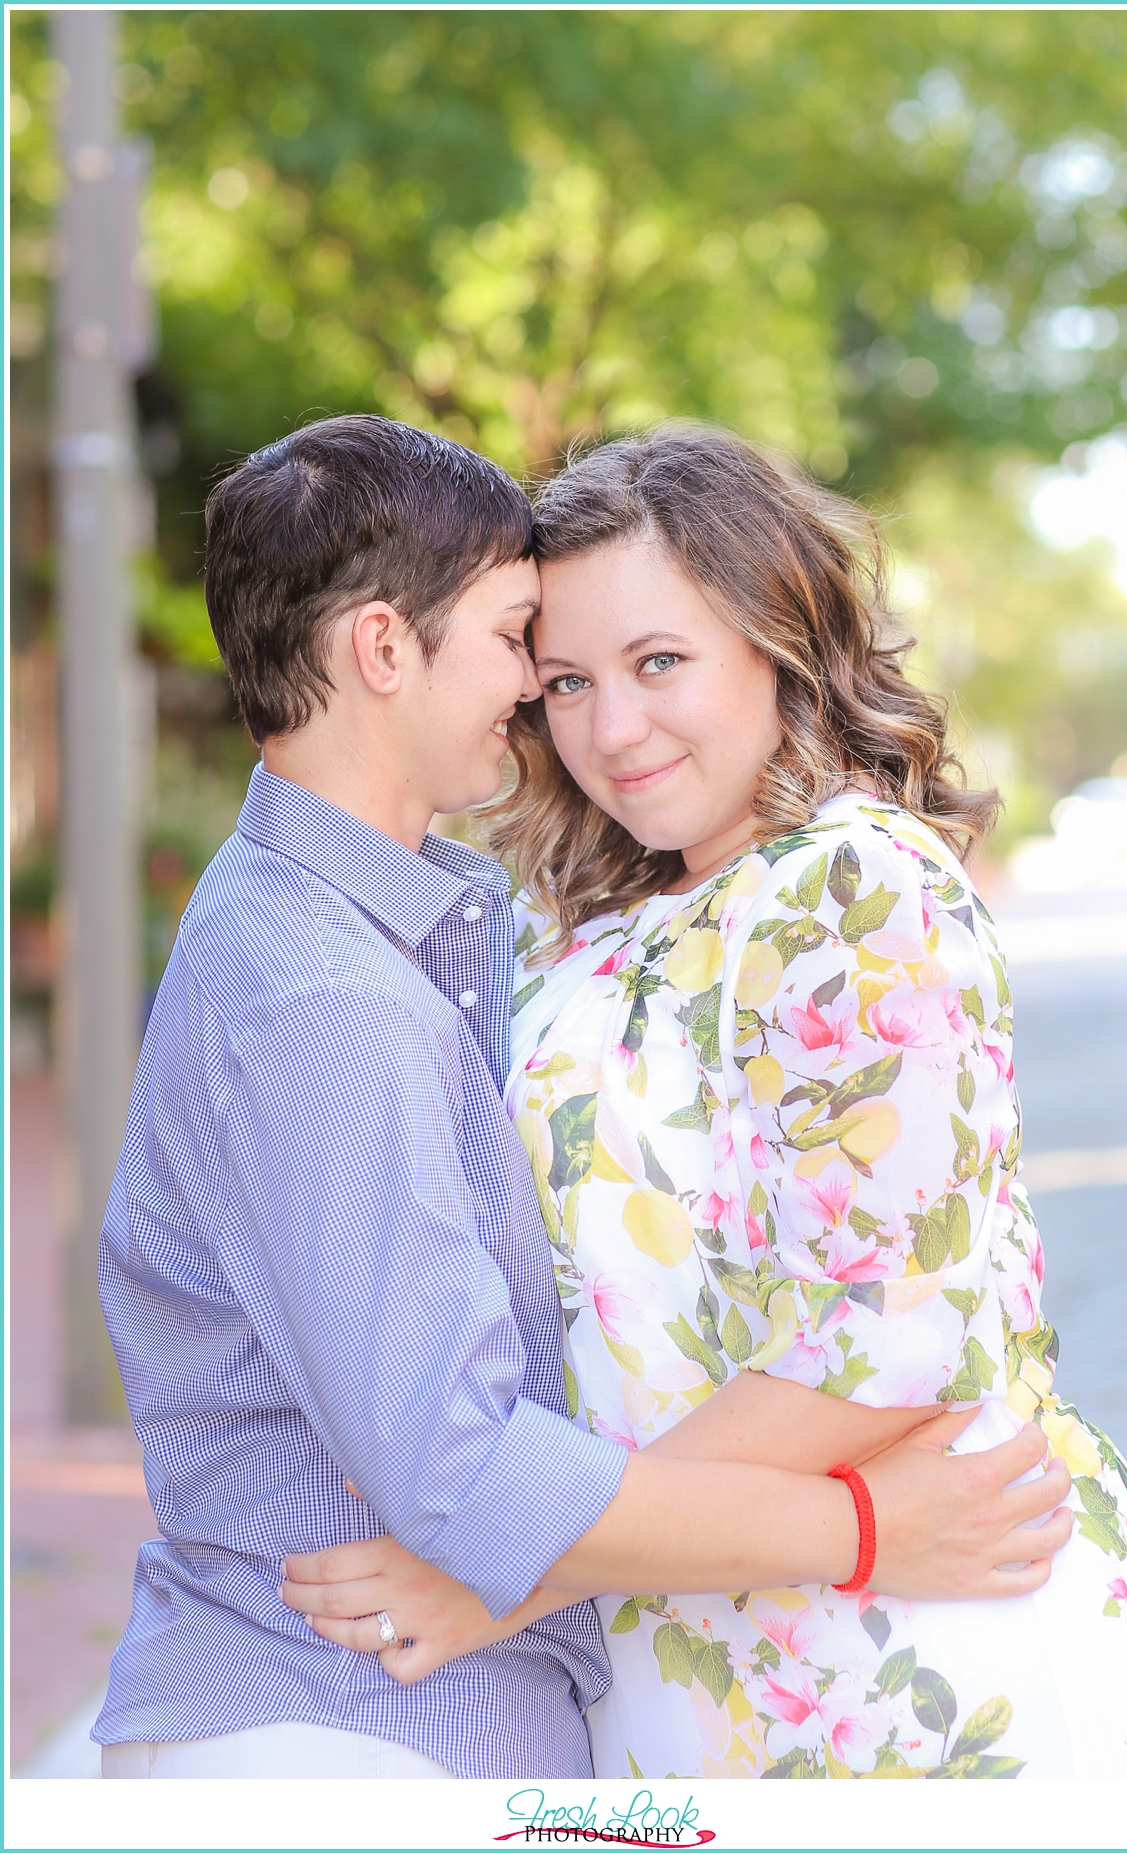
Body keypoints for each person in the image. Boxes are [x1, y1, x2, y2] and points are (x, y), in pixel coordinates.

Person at [93, 415, 1071, 1782]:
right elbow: (461, 1467)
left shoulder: (836, 885)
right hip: (417, 1703)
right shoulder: (450, 954)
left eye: (658, 660)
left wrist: (518, 1579)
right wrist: (826, 1530)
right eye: (546, 666)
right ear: (386, 648)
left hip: (869, 1661)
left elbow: (887, 1317)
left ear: (772, 640)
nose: (598, 725)